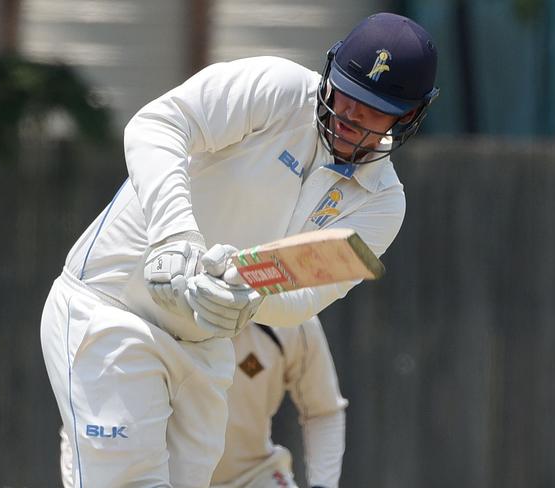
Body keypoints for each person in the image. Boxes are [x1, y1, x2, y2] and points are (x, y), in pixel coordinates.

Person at [40, 11, 439, 488]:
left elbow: (306, 298)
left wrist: (244, 294)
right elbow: (157, 125)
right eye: (347, 92)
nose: (351, 114)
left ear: (410, 115)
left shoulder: (382, 203)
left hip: (205, 345)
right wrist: (174, 236)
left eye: (374, 107)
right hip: (112, 307)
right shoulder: (277, 88)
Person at [211, 316, 346, 488]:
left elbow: (322, 411)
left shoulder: (293, 314)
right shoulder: (170, 314)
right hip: (175, 477)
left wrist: (323, 485)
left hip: (254, 476)